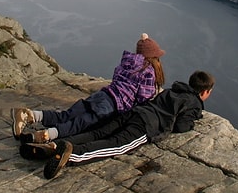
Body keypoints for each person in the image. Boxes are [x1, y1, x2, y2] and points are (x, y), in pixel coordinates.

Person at [27, 70, 215, 179]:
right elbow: (181, 125)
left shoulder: (171, 91)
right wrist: (192, 123)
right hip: (146, 126)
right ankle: (72, 154)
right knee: (116, 145)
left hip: (134, 113)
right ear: (205, 91)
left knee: (98, 133)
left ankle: (53, 147)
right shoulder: (193, 102)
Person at [11, 33, 166, 143]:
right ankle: (45, 135)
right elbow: (142, 98)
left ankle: (31, 115)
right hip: (111, 107)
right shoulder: (148, 72)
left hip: (102, 95)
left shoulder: (126, 63)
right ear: (154, 57)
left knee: (67, 115)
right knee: (79, 125)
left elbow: (117, 79)